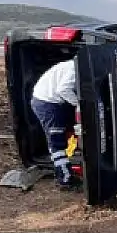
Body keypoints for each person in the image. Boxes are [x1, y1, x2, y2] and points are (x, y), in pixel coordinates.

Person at [30, 57, 81, 189]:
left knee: (61, 136)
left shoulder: (70, 66)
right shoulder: (74, 71)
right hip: (47, 104)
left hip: (50, 101)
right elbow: (63, 90)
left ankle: (64, 173)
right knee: (56, 141)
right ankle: (64, 179)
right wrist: (79, 104)